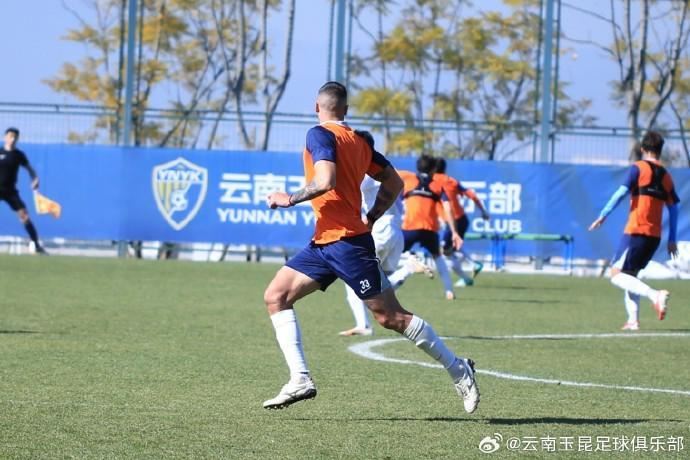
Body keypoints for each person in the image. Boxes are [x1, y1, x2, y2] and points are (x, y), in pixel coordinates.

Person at [263, 81, 479, 413]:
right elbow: (394, 182)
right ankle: (300, 379)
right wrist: (373, 216)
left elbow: (325, 180)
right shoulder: (360, 141)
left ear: (316, 107)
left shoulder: (319, 134)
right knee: (276, 296)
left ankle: (459, 369)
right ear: (346, 110)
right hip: (325, 241)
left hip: (348, 244)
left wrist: (288, 199)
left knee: (391, 317)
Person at [339, 130, 433, 337]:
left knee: (353, 278)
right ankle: (407, 268)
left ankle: (364, 324)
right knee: (383, 283)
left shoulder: (366, 172)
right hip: (394, 231)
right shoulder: (385, 168)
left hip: (380, 230)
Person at [589, 131, 679, 331]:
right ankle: (633, 321)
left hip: (636, 230)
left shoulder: (638, 168)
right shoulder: (666, 176)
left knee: (616, 275)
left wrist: (603, 215)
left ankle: (655, 295)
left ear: (643, 149)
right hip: (654, 236)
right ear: (660, 150)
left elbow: (620, 193)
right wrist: (672, 239)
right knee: (630, 275)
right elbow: (674, 209)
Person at [399, 156, 462, 300]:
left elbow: (388, 172)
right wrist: (454, 232)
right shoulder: (437, 185)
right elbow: (448, 207)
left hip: (409, 227)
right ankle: (449, 291)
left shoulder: (407, 178)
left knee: (392, 253)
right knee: (438, 258)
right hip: (430, 229)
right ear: (433, 169)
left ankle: (410, 264)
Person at [434, 158, 490, 287]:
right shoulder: (452, 181)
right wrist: (483, 211)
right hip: (462, 220)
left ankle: (470, 268)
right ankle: (469, 270)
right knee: (450, 250)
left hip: (452, 222)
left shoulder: (432, 182)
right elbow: (472, 195)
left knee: (445, 251)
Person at [0, 128, 47, 254]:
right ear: (5, 137)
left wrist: (35, 178)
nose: (12, 139)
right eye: (10, 136)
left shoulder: (18, 155)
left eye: (15, 137)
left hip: (10, 192)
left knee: (24, 216)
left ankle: (36, 245)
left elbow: (29, 169)